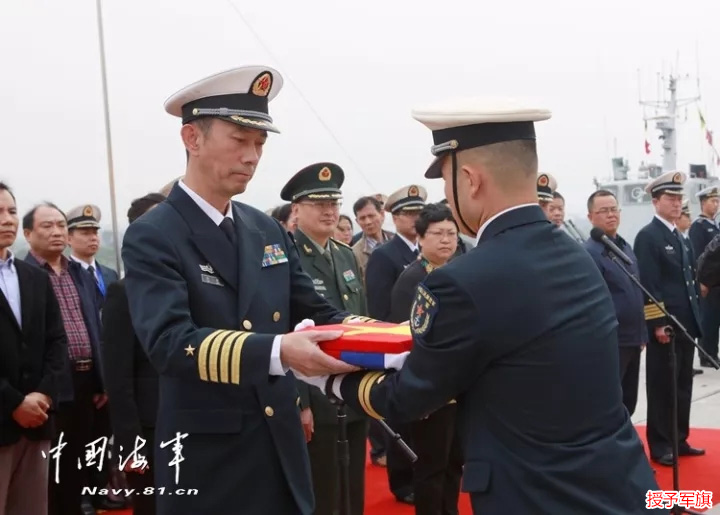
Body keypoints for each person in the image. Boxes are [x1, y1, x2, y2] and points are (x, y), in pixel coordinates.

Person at [300, 97, 660, 514]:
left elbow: (409, 397)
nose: (446, 197)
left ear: (469, 180)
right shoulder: (579, 256)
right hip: (619, 482)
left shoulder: (463, 280)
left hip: (536, 495)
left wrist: (325, 377)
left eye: (445, 180)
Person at [121, 65, 361, 515]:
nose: (252, 156)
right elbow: (169, 343)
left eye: (260, 144)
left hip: (280, 445)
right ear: (192, 138)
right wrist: (279, 351)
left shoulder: (264, 228)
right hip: (212, 459)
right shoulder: (155, 234)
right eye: (239, 140)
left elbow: (314, 309)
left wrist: (387, 337)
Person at [279, 163, 368, 515]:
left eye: (333, 203)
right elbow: (284, 330)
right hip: (314, 390)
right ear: (297, 210)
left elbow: (361, 318)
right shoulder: (286, 256)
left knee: (353, 485)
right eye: (319, 204)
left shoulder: (345, 253)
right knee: (323, 487)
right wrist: (300, 402)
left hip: (353, 385)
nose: (329, 211)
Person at [388, 202, 463, 515]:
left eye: (451, 233)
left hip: (459, 384)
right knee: (431, 466)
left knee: (454, 461)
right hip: (430, 388)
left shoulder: (458, 272)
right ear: (420, 238)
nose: (446, 240)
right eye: (437, 234)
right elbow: (407, 338)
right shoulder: (413, 279)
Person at [0, 182, 67, 515]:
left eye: (12, 211)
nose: (7, 219)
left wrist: (43, 394)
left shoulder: (34, 277)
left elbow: (57, 341)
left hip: (37, 422)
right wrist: (14, 402)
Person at [634, 171, 704, 467]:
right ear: (655, 201)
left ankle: (679, 438)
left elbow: (689, 281)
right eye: (670, 198)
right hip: (666, 325)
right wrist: (657, 323)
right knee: (663, 385)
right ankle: (661, 443)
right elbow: (649, 284)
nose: (677, 204)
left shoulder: (680, 236)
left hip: (685, 324)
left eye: (679, 198)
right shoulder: (649, 236)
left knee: (682, 384)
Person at [102, 192, 166, 515]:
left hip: (194, 424)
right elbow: (117, 377)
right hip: (149, 429)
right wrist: (130, 444)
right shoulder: (123, 294)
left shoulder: (192, 286)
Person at [584, 190, 647, 415]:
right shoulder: (590, 253)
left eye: (614, 209)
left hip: (633, 337)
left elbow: (634, 291)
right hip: (612, 340)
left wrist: (642, 333)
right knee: (610, 402)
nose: (611, 215)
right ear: (590, 216)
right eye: (604, 211)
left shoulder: (623, 246)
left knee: (629, 400)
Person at [689, 185, 720, 367]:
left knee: (716, 319)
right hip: (708, 282)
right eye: (712, 201)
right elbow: (697, 255)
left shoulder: (715, 226)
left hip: (718, 281)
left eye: (718, 201)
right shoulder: (698, 227)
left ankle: (713, 352)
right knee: (708, 319)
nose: (716, 205)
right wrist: (700, 281)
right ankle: (707, 355)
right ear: (703, 203)